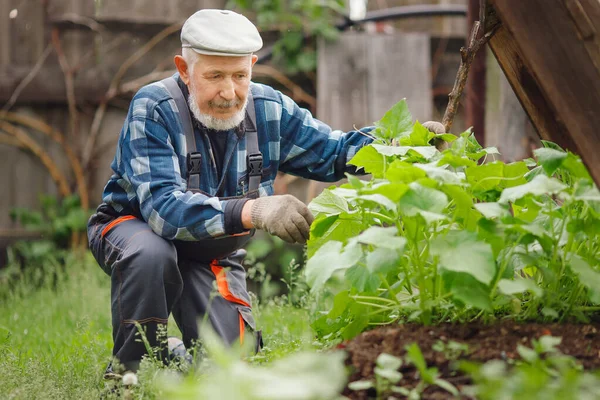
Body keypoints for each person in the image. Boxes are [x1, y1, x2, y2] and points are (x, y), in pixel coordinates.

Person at [87, 9, 445, 376]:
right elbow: (163, 210)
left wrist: (399, 147)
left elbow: (333, 152)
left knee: (231, 368)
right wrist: (256, 211)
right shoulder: (155, 108)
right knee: (153, 254)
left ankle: (171, 355)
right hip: (134, 230)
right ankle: (129, 374)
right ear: (183, 68)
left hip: (211, 250)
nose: (229, 92)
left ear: (253, 66)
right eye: (215, 76)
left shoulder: (267, 108)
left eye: (240, 75)